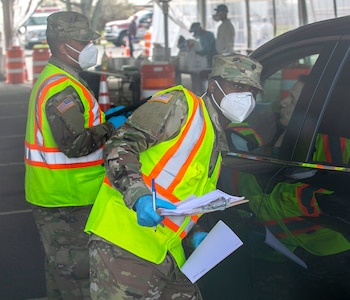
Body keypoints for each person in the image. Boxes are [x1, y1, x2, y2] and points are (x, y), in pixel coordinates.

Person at [84, 53, 263, 299]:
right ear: (213, 85)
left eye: (252, 91)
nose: (246, 97)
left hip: (167, 252)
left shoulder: (214, 143)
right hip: (124, 245)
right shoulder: (181, 107)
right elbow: (119, 146)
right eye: (238, 86)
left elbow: (182, 200)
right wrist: (139, 197)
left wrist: (194, 232)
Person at [24, 11, 126, 299]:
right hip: (67, 200)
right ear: (62, 45)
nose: (91, 45)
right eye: (84, 41)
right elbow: (75, 144)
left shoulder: (59, 78)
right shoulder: (61, 88)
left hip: (58, 195)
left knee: (61, 275)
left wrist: (105, 120)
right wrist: (111, 126)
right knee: (79, 280)